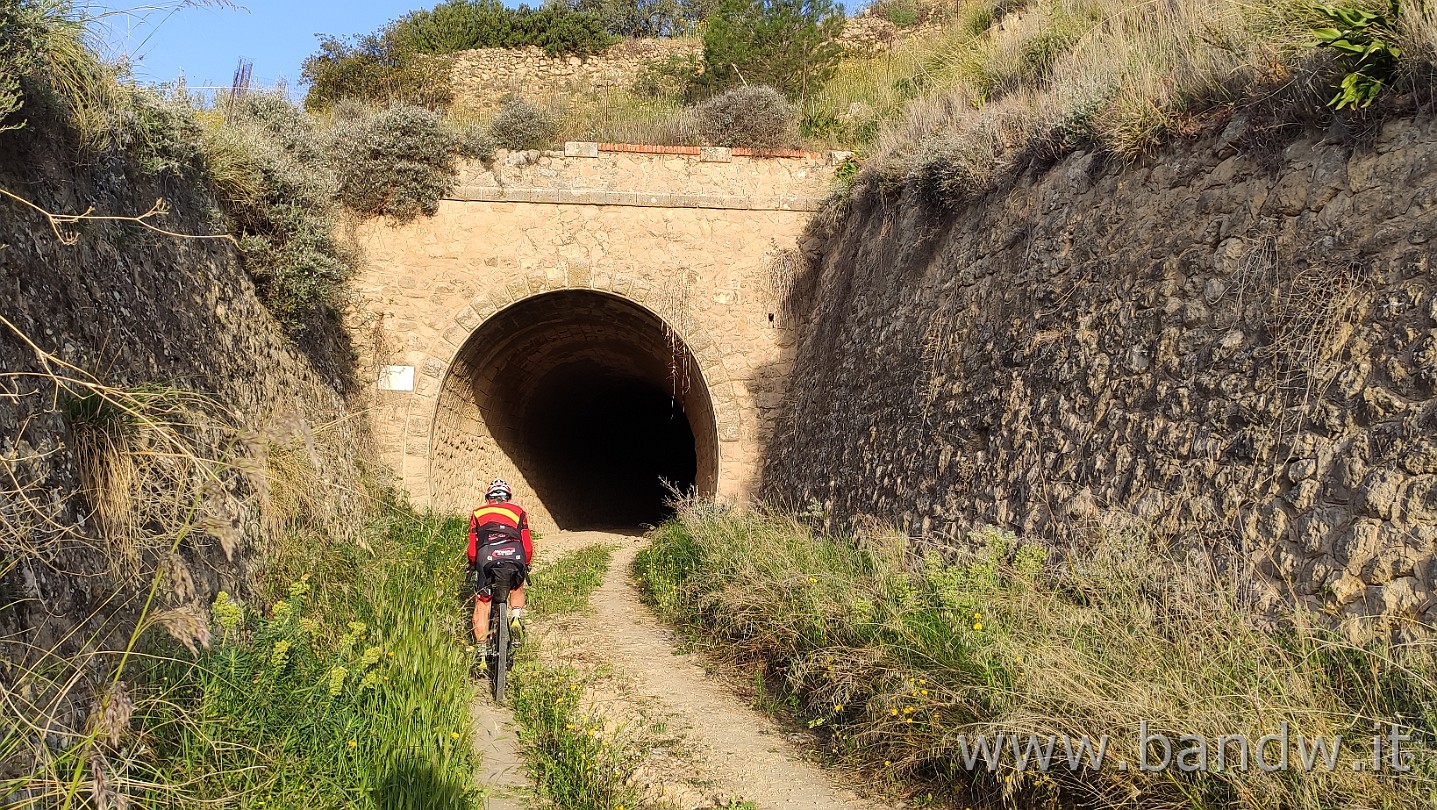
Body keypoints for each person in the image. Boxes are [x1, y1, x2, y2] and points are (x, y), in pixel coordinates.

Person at [468, 479, 533, 646]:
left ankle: (481, 651)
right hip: (514, 554)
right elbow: (527, 545)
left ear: (488, 498)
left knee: (482, 602)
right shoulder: (519, 512)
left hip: (487, 555)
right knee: (516, 584)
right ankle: (516, 616)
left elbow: (472, 549)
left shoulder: (478, 513)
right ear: (508, 498)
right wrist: (526, 562)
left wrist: (473, 564)